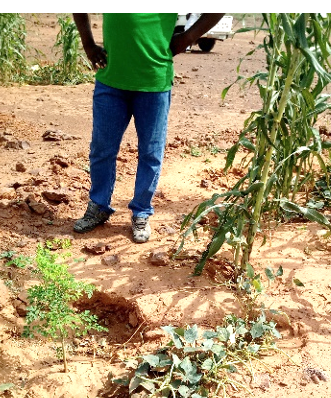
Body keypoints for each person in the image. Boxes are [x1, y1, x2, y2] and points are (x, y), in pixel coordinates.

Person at [71, 13, 223, 243]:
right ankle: (99, 206)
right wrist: (88, 44)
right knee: (102, 149)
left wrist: (188, 37)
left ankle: (141, 212)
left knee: (150, 153)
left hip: (154, 82)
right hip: (111, 80)